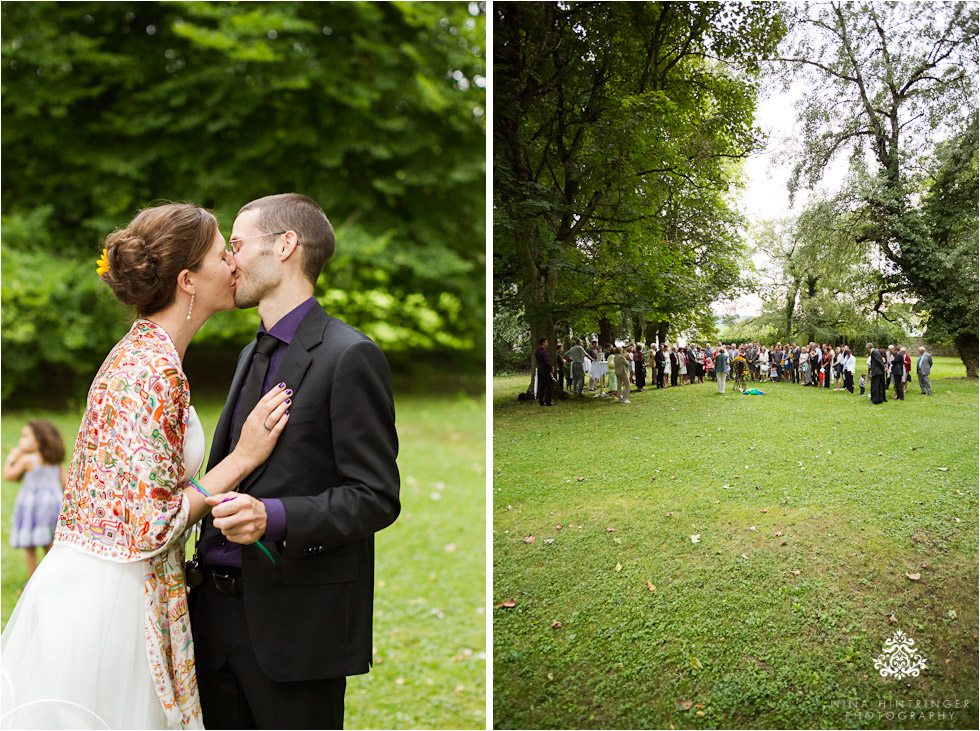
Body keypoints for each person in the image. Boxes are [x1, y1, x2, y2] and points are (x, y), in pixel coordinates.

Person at [1, 203, 291, 729]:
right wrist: (243, 457)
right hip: (114, 605)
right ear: (188, 280)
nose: (233, 264)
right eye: (222, 254)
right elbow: (152, 525)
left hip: (98, 580)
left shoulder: (140, 355)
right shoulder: (153, 371)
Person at [187, 195, 400, 729]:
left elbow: (376, 496)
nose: (229, 260)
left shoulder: (349, 356)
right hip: (211, 620)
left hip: (296, 630)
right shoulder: (249, 352)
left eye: (236, 245)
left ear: (285, 246)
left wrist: (273, 517)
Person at [4, 420, 66, 578]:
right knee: (49, 544)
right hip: (52, 506)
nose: (20, 441)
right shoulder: (55, 461)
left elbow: (8, 475)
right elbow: (66, 484)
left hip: (32, 507)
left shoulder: (27, 460)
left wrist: (12, 457)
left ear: (38, 440)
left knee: (30, 546)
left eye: (25, 437)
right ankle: (51, 578)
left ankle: (32, 581)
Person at [534, 338, 555, 406]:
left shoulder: (537, 351)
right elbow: (546, 361)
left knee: (541, 385)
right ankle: (548, 401)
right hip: (545, 369)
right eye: (546, 342)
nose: (547, 344)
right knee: (548, 385)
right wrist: (551, 367)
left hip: (540, 369)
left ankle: (541, 401)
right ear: (543, 343)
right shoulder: (543, 351)